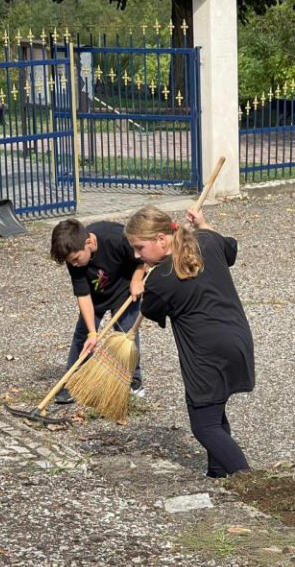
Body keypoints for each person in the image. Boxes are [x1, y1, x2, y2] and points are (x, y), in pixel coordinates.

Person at [125, 205, 254, 479]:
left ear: (161, 239)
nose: (137, 255)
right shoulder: (205, 241)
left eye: (140, 248)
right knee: (215, 413)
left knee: (204, 426)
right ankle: (218, 476)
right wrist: (204, 224)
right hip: (237, 339)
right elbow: (229, 249)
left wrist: (146, 283)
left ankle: (253, 483)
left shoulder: (161, 279)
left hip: (205, 354)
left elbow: (150, 311)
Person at [49, 219, 146, 404]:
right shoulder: (73, 256)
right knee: (83, 336)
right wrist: (92, 332)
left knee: (127, 334)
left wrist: (137, 280)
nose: (75, 264)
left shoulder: (116, 237)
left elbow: (142, 259)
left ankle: (133, 379)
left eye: (77, 259)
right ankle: (73, 381)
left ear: (89, 243)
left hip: (125, 290)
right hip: (96, 297)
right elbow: (83, 295)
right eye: (71, 262)